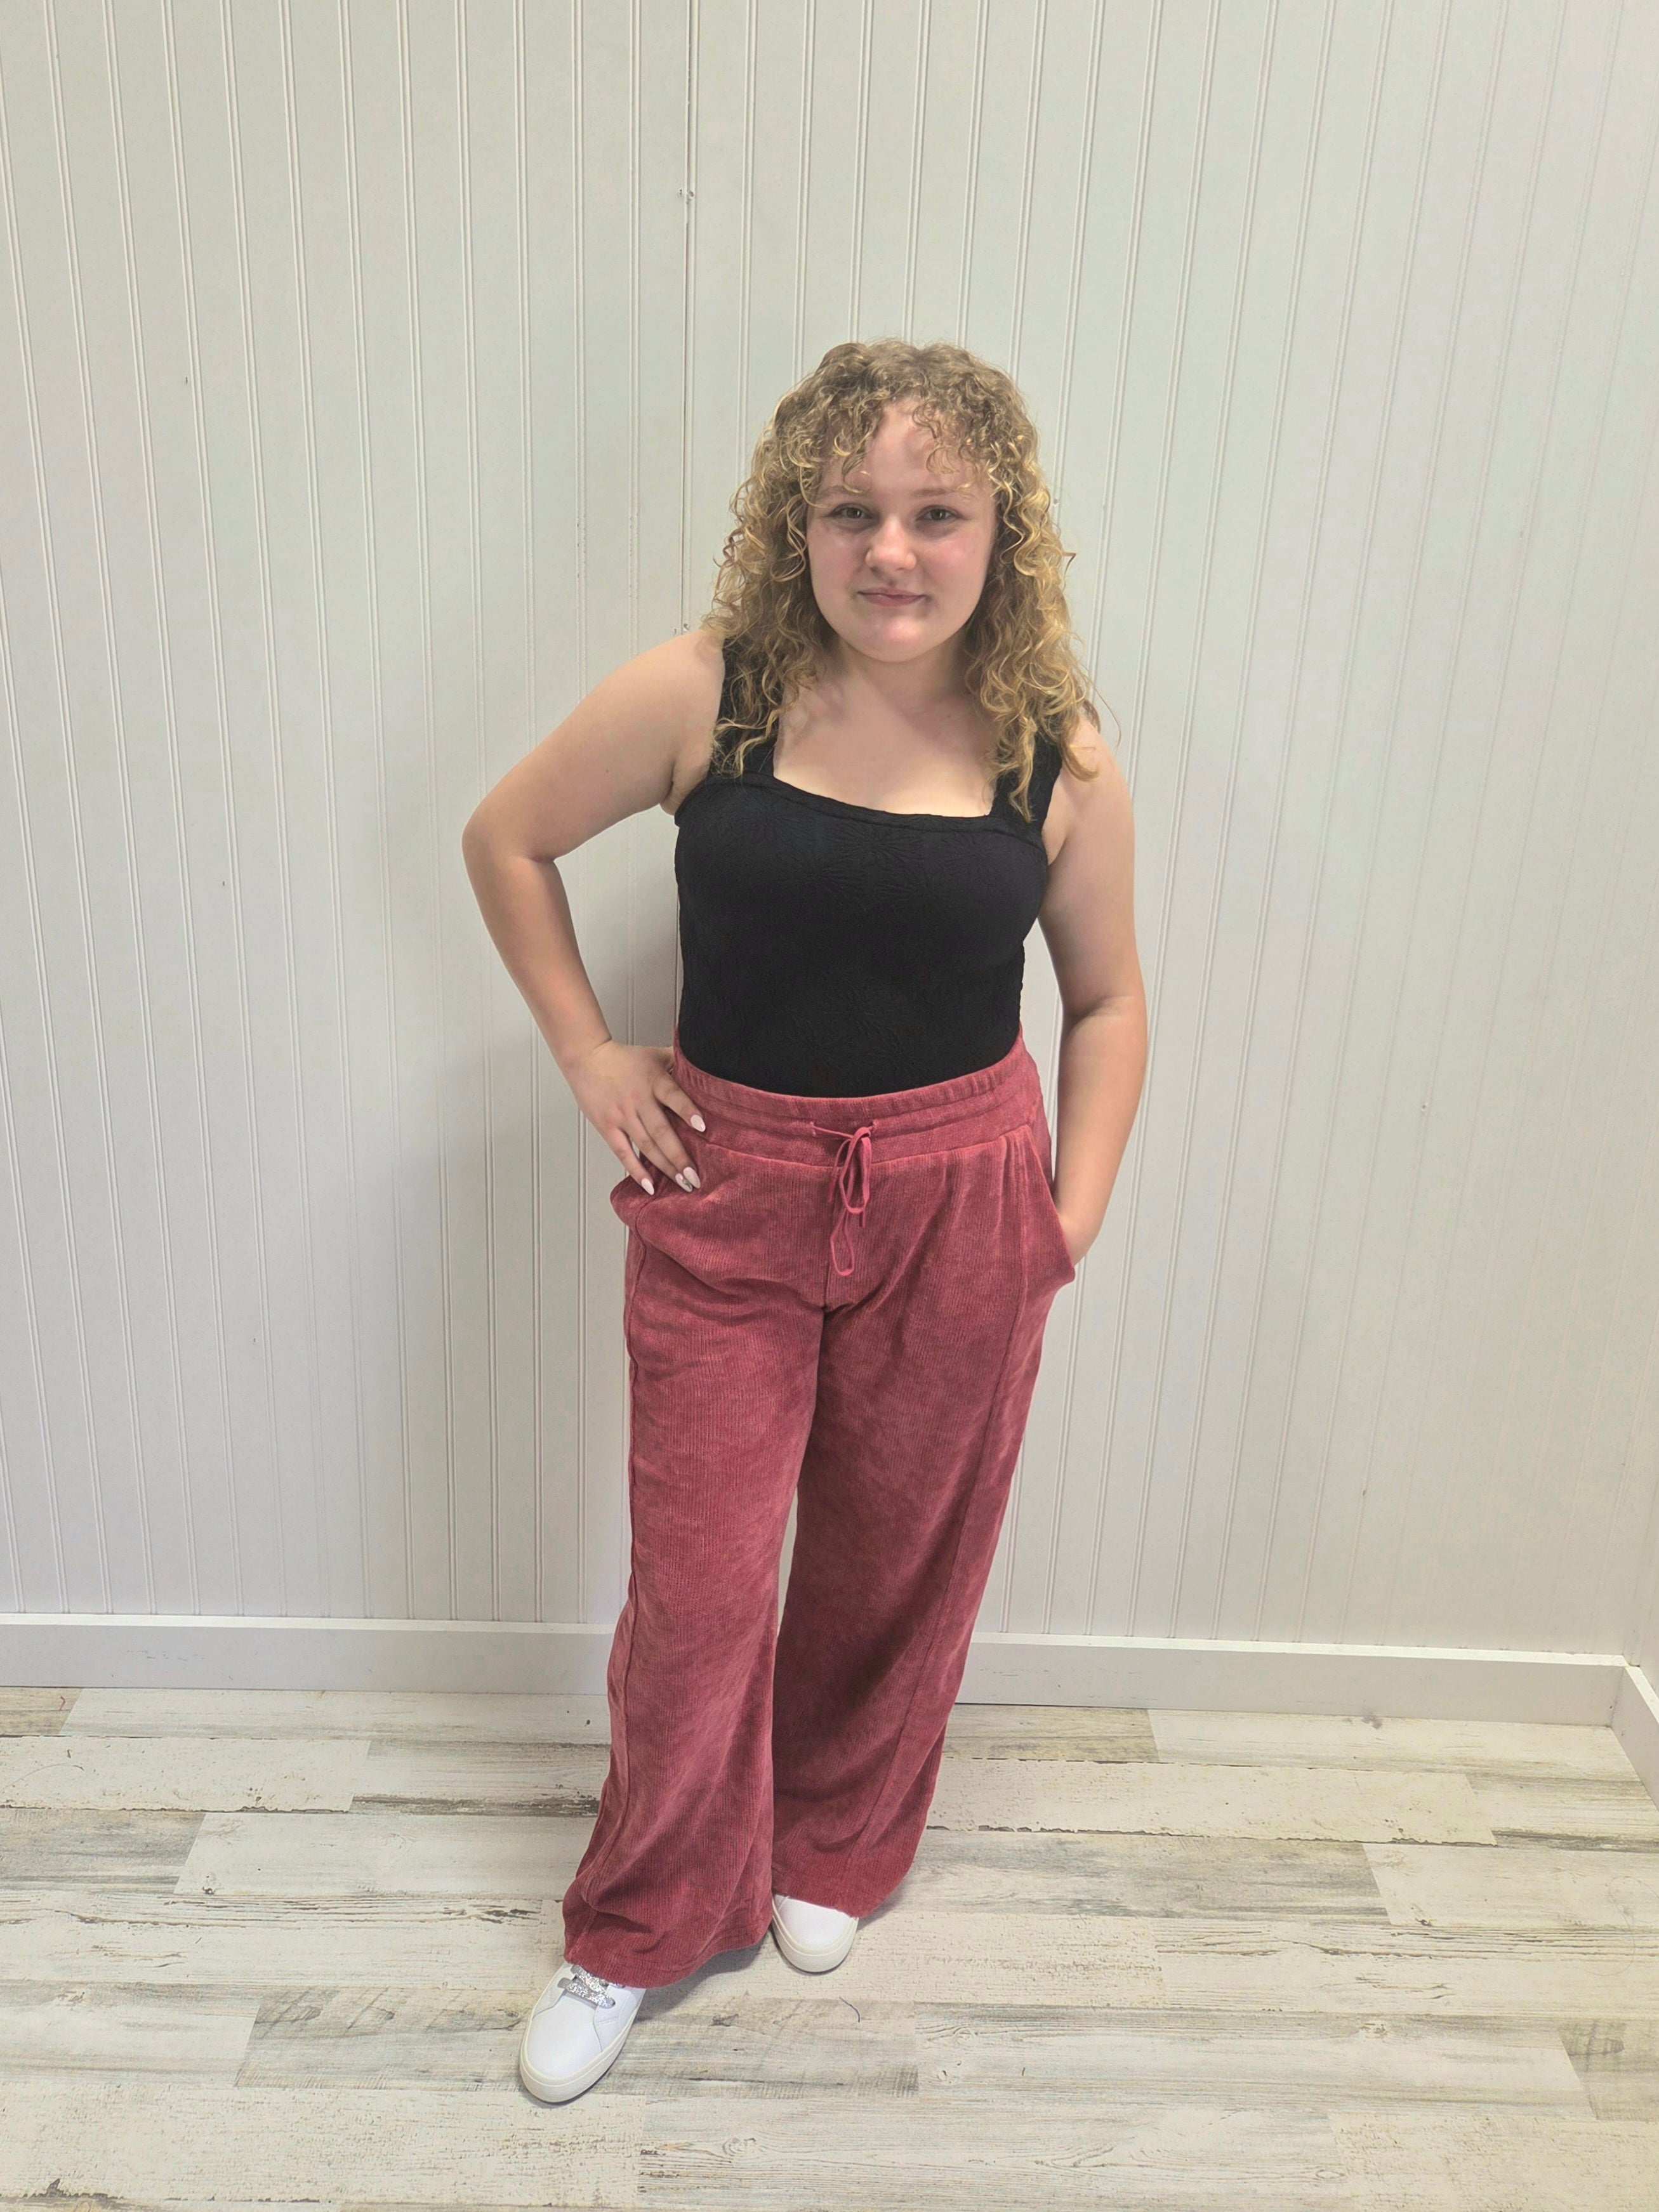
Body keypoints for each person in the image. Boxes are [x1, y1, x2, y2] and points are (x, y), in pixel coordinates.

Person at [461, 338, 1147, 2105]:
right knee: (697, 1596)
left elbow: (1107, 1000)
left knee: (893, 1559)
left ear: (1003, 531)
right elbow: (505, 839)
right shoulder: (711, 692)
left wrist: (1062, 1217)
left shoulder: (1054, 751)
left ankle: (833, 1840)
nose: (892, 551)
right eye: (853, 511)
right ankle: (641, 1922)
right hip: (731, 1189)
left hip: (961, 1195)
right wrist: (592, 1053)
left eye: (937, 513)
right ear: (798, 523)